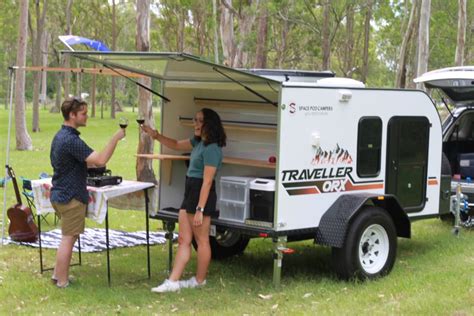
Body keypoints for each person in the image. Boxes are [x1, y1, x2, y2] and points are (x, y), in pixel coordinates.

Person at [142, 108, 226, 293]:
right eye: (194, 119)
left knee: (202, 240)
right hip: (190, 191)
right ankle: (172, 282)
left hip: (200, 195)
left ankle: (200, 280)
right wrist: (155, 135)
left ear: (209, 124)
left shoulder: (212, 149)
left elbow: (207, 181)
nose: (195, 123)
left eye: (199, 120)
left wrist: (200, 209)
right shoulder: (198, 142)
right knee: (183, 239)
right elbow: (175, 144)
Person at [49, 97, 125, 288]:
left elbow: (86, 161)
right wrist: (116, 138)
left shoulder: (60, 136)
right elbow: (99, 161)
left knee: (69, 236)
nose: (87, 116)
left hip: (59, 193)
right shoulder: (71, 140)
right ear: (72, 115)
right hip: (71, 196)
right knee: (69, 237)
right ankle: (62, 281)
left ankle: (58, 275)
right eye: (83, 113)